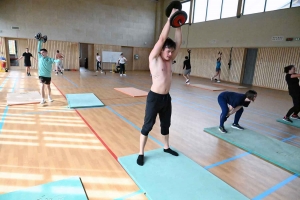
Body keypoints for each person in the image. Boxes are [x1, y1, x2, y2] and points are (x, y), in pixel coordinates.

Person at [137, 8, 182, 166]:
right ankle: (141, 153)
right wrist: (170, 18)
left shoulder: (169, 60)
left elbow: (179, 42)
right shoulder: (154, 58)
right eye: (168, 51)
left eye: (172, 52)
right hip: (154, 97)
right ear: (162, 49)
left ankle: (166, 146)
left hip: (166, 98)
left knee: (166, 124)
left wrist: (179, 23)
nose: (170, 55)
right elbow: (163, 37)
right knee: (148, 125)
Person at [37, 39, 61, 104]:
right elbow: (38, 48)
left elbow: (55, 61)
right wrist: (39, 41)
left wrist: (58, 60)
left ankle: (49, 97)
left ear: (46, 53)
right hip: (41, 75)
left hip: (48, 75)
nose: (42, 54)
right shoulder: (39, 57)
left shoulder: (50, 59)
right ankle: (42, 99)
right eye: (41, 53)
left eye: (43, 52)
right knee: (42, 85)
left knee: (48, 86)